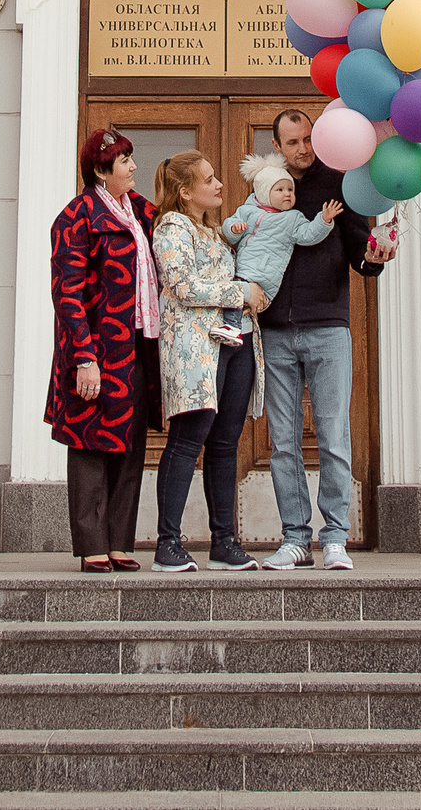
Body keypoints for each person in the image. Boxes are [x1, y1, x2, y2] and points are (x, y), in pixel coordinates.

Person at [257, 107, 399, 571]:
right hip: (275, 331)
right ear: (276, 146)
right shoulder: (265, 189)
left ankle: (334, 536)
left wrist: (377, 256)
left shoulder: (341, 182)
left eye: (308, 139)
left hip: (328, 329)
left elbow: (362, 251)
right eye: (292, 142)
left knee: (334, 437)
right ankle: (295, 539)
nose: (302, 149)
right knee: (283, 442)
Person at [45, 128, 161, 572]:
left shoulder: (141, 212)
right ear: (100, 169)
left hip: (136, 346)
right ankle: (92, 542)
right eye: (124, 160)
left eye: (132, 158)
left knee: (129, 442)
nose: (133, 167)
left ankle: (119, 540)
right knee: (91, 441)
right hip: (96, 349)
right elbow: (67, 293)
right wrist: (84, 358)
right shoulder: (77, 216)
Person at [147, 150, 267, 572]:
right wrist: (241, 293)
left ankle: (224, 542)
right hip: (196, 352)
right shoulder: (171, 227)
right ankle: (167, 544)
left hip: (235, 346)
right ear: (184, 191)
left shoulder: (212, 232)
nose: (219, 185)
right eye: (210, 179)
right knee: (186, 442)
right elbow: (182, 286)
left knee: (224, 444)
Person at [217, 151, 342, 340]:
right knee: (237, 295)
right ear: (264, 193)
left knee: (243, 295)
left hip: (266, 277)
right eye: (280, 190)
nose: (287, 194)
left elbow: (308, 235)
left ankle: (231, 328)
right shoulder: (247, 211)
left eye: (290, 190)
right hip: (243, 270)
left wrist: (323, 220)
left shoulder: (292, 219)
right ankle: (234, 328)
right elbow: (228, 231)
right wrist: (234, 229)